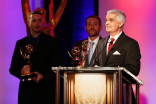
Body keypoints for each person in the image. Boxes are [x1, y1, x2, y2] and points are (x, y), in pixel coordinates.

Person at [9, 11, 63, 104]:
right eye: (34, 21)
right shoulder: (20, 43)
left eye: (39, 21)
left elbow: (58, 67)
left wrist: (43, 77)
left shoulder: (52, 42)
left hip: (45, 93)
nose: (37, 24)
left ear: (42, 22)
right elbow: (12, 68)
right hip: (25, 94)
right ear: (29, 23)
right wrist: (21, 71)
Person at [94, 9, 141, 103]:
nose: (107, 23)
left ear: (120, 24)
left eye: (111, 20)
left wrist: (112, 71)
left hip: (121, 93)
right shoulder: (101, 43)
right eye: (106, 20)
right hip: (100, 93)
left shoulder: (130, 43)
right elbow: (95, 64)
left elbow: (134, 69)